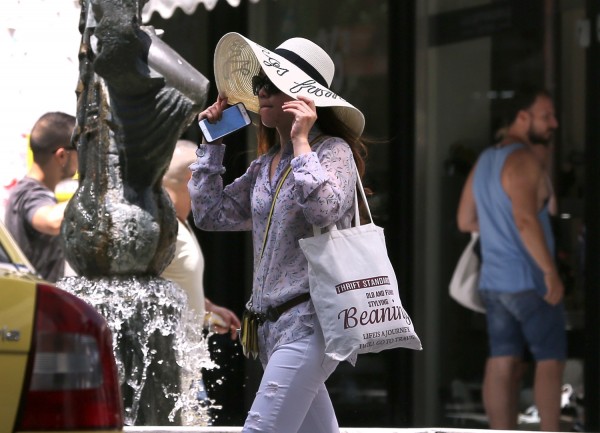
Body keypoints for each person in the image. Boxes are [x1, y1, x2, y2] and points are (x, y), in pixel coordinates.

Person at [188, 33, 367, 433]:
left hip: (311, 321)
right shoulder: (264, 166)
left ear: (303, 97)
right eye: (259, 85)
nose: (262, 91)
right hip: (269, 329)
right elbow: (210, 213)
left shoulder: (331, 150)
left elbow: (324, 207)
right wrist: (212, 142)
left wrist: (302, 141)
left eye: (273, 83)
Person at [456, 87, 566, 431]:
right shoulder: (523, 160)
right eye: (546, 115)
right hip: (529, 279)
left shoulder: (487, 159)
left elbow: (464, 220)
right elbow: (524, 219)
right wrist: (550, 272)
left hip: (494, 281)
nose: (554, 123)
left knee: (501, 359)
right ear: (523, 117)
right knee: (550, 360)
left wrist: (497, 229)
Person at [162, 138, 241, 338]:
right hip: (163, 359)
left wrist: (205, 308)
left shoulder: (178, 223)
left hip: (183, 358)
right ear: (193, 178)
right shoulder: (160, 225)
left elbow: (170, 283)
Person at [4, 112, 77, 282]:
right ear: (62, 156)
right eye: (80, 150)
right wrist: (94, 192)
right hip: (30, 304)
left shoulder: (28, 191)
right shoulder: (30, 194)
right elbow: (51, 221)